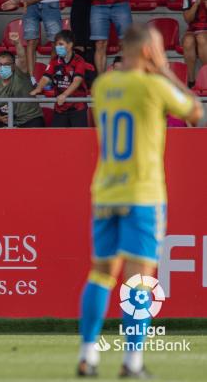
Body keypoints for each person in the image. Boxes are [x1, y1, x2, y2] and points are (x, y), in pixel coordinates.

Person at [77, 24, 203, 378]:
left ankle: (88, 354)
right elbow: (198, 115)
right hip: (143, 193)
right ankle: (132, 361)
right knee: (140, 280)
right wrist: (165, 72)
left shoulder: (103, 86)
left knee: (101, 273)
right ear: (150, 52)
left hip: (105, 190)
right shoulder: (154, 86)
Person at [31, 30, 89, 127]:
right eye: (56, 45)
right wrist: (39, 88)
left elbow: (77, 81)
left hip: (77, 107)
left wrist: (64, 95)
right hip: (60, 108)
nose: (57, 48)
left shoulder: (79, 61)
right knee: (57, 139)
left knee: (79, 139)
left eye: (61, 44)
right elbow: (46, 77)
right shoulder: (54, 61)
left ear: (70, 45)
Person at [0, 33, 44, 127]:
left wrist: (17, 43)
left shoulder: (21, 74)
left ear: (13, 66)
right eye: (0, 64)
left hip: (31, 120)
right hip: (8, 121)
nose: (2, 67)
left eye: (6, 64)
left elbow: (22, 59)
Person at [181, 0, 207, 88]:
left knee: (201, 38)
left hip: (205, 30)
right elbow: (187, 19)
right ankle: (191, 81)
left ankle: (206, 76)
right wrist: (196, 4)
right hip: (193, 28)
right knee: (188, 41)